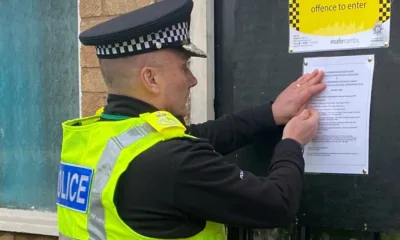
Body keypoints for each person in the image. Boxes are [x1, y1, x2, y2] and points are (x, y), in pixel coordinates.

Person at [56, 0, 326, 239]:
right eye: (184, 67)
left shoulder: (95, 139)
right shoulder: (172, 162)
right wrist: (292, 142)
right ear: (151, 78)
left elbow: (197, 137)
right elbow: (276, 205)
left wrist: (271, 114)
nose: (193, 80)